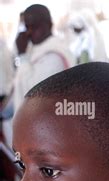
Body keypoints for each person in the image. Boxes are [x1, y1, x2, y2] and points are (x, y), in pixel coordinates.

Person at [4, 4, 74, 149]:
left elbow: (33, 93)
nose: (28, 32)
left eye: (34, 27)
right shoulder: (38, 49)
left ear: (48, 25)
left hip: (47, 132)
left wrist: (23, 56)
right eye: (27, 27)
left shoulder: (54, 55)